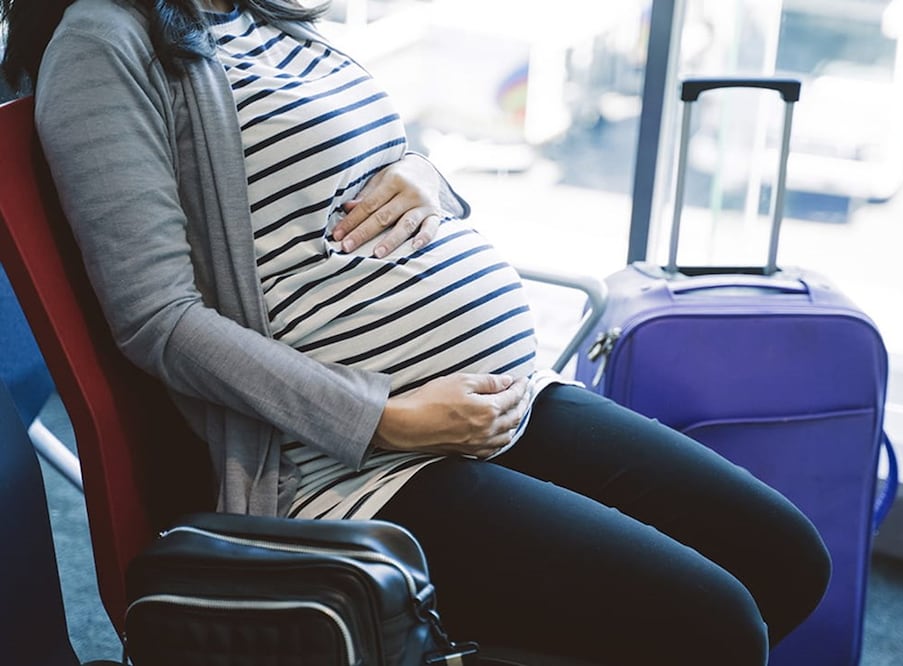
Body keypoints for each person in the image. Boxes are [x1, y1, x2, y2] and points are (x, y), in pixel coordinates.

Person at [1, 1, 831, 663]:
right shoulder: (106, 44)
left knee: (785, 561)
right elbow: (159, 321)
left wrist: (430, 177)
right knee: (715, 627)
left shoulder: (266, 16)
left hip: (508, 397)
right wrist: (386, 417)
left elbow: (374, 159)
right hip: (352, 465)